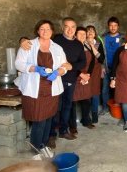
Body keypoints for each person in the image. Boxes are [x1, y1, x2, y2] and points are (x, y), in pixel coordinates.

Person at [20, 17, 86, 148]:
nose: (70, 29)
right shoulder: (56, 39)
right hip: (50, 82)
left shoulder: (78, 44)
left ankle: (63, 131)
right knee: (53, 110)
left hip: (67, 79)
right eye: (67, 26)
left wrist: (70, 67)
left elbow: (82, 62)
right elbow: (33, 43)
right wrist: (22, 40)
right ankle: (51, 136)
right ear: (62, 28)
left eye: (73, 27)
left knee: (66, 107)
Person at [15, 19, 72, 155]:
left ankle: (43, 144)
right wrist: (34, 68)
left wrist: (58, 72)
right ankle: (35, 149)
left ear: (52, 32)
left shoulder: (57, 48)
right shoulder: (28, 45)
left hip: (52, 88)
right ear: (37, 31)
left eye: (48, 29)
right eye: (42, 28)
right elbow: (18, 64)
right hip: (35, 88)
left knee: (48, 118)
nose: (45, 31)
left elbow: (65, 65)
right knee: (39, 120)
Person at [100, 16, 125, 116]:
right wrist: (102, 66)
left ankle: (120, 108)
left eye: (115, 25)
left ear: (118, 26)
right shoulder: (103, 38)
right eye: (111, 25)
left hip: (119, 69)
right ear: (108, 26)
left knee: (119, 89)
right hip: (107, 68)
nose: (113, 27)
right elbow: (100, 54)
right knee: (105, 89)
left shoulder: (123, 38)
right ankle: (105, 108)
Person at [72, 27, 96, 129]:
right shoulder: (72, 47)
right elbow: (70, 64)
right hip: (74, 76)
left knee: (86, 100)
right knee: (72, 102)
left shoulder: (87, 46)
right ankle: (72, 125)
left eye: (84, 34)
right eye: (79, 34)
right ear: (75, 35)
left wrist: (88, 75)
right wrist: (81, 75)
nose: (82, 36)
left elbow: (93, 61)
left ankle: (86, 120)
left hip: (86, 77)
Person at [86, 25, 105, 124]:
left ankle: (94, 114)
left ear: (95, 34)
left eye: (92, 31)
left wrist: (92, 46)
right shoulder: (81, 43)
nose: (90, 33)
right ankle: (86, 115)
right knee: (85, 93)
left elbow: (101, 59)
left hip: (96, 71)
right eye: (88, 31)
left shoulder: (98, 43)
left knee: (95, 93)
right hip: (85, 71)